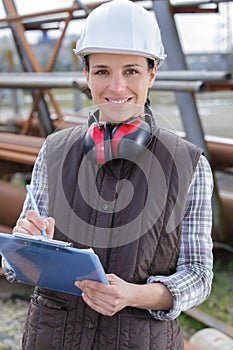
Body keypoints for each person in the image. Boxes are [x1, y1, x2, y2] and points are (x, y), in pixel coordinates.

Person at [3, 1, 214, 349]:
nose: (116, 87)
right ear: (86, 75)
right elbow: (15, 268)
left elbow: (198, 275)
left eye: (131, 70)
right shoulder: (54, 151)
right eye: (102, 71)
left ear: (153, 73)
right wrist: (26, 245)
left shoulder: (188, 164)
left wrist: (136, 295)